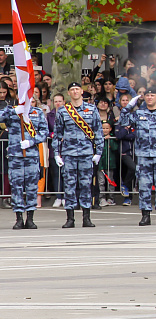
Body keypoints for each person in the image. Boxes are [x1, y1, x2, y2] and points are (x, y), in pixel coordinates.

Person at [118, 90, 156, 226]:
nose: (150, 98)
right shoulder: (138, 113)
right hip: (144, 155)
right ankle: (145, 215)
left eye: (152, 95)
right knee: (144, 186)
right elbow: (123, 121)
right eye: (147, 95)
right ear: (144, 98)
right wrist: (129, 106)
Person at [53, 82, 103, 228]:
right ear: (69, 93)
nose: (75, 92)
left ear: (82, 91)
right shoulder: (63, 111)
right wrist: (57, 153)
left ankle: (86, 217)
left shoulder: (91, 109)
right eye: (72, 90)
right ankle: (70, 218)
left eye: (77, 89)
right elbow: (57, 134)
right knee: (69, 185)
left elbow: (98, 132)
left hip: (86, 153)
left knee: (86, 185)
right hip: (69, 153)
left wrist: (98, 152)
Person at [0, 96, 49, 229]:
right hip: (15, 155)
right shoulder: (13, 111)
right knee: (16, 187)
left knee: (32, 187)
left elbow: (45, 132)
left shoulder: (37, 113)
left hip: (31, 155)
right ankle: (19, 218)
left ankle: (30, 218)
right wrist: (12, 111)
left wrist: (32, 141)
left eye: (31, 100)